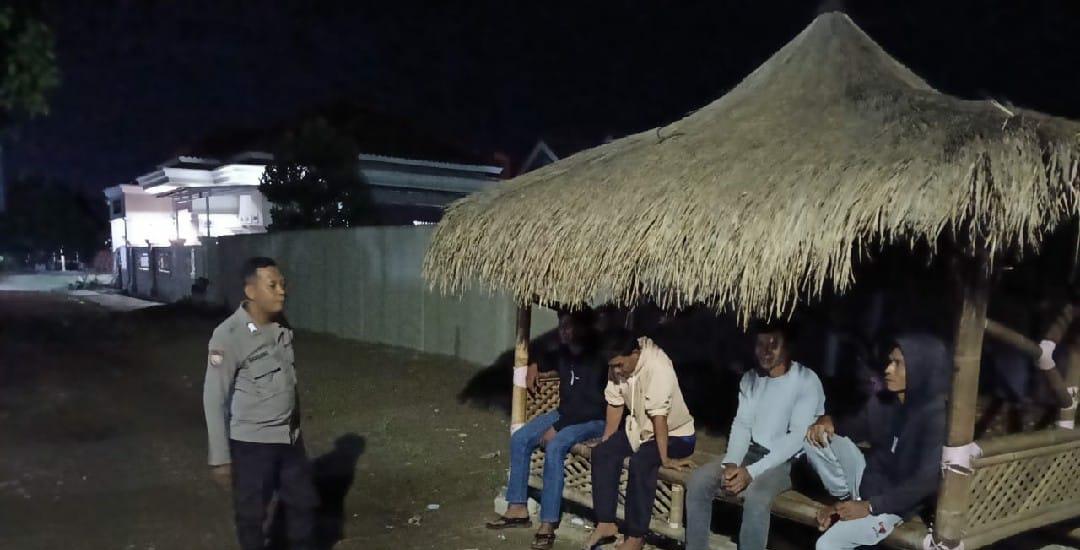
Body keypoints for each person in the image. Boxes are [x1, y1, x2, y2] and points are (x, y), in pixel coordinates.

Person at [203, 257, 317, 550]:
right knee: (252, 517)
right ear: (251, 291)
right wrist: (220, 457)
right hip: (252, 445)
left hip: (289, 439)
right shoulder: (228, 335)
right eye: (272, 285)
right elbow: (214, 398)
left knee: (303, 506)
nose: (282, 291)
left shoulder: (281, 325)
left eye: (283, 284)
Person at [685, 321, 824, 550]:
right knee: (699, 481)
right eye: (760, 344)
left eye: (773, 345)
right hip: (752, 452)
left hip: (787, 462)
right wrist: (732, 463)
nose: (765, 351)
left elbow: (796, 438)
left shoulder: (806, 380)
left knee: (757, 498)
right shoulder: (751, 378)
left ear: (787, 347)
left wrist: (751, 473)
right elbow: (742, 424)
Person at [803, 334, 950, 549]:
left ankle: (853, 508)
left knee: (827, 545)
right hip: (868, 482)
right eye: (890, 362)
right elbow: (853, 427)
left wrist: (870, 507)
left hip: (894, 504)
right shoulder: (884, 402)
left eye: (898, 364)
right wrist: (829, 421)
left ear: (921, 369)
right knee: (815, 437)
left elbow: (924, 482)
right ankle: (845, 499)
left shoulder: (935, 417)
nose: (888, 369)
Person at [486, 310, 608, 550]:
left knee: (555, 446)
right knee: (521, 437)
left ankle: (548, 522)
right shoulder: (564, 352)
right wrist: (534, 365)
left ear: (582, 328)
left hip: (594, 420)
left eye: (569, 327)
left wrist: (557, 428)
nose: (563, 331)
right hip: (565, 414)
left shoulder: (595, 359)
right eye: (561, 326)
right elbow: (544, 356)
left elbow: (591, 405)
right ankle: (517, 508)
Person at [584, 331, 697, 550]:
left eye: (619, 365)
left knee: (641, 462)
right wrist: (607, 440)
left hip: (676, 435)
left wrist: (665, 459)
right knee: (602, 453)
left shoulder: (658, 366)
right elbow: (615, 403)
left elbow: (659, 418)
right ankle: (606, 523)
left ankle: (636, 536)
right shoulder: (618, 365)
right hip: (640, 430)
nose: (617, 370)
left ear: (635, 353)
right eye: (613, 366)